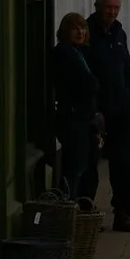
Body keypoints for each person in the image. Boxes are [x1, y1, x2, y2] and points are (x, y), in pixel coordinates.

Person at [84, 0, 130, 232]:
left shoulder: (119, 32)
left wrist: (127, 94)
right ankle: (85, 214)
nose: (113, 12)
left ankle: (123, 212)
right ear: (97, 6)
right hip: (94, 112)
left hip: (119, 110)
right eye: (108, 7)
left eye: (116, 8)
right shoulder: (85, 33)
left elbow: (125, 66)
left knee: (123, 163)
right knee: (89, 166)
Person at [50, 12, 101, 202]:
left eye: (83, 28)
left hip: (83, 118)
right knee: (75, 167)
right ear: (65, 31)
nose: (80, 32)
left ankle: (82, 209)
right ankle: (71, 208)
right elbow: (87, 84)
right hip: (73, 119)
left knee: (86, 166)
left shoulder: (78, 52)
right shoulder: (63, 53)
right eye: (75, 28)